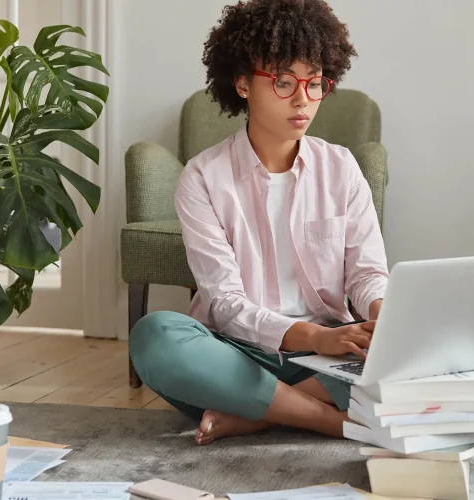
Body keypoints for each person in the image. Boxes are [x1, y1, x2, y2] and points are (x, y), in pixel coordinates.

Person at [129, 0, 389, 445]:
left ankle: (256, 416)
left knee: (422, 356)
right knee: (155, 337)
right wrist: (312, 337)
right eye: (284, 82)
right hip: (235, 352)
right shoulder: (203, 178)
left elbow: (367, 275)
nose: (303, 99)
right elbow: (225, 303)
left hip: (329, 352)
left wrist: (386, 322)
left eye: (314, 83)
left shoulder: (341, 168)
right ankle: (328, 419)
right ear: (243, 83)